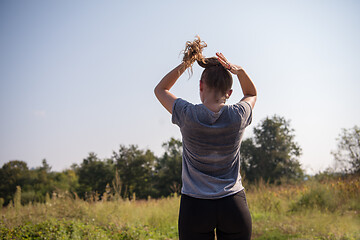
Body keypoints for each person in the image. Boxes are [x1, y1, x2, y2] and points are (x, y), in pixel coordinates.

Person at [154, 36, 257, 240]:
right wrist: (241, 72)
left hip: (195, 207)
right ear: (229, 92)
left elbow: (161, 90)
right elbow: (251, 93)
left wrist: (187, 64)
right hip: (233, 204)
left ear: (201, 86)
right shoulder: (238, 115)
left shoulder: (187, 114)